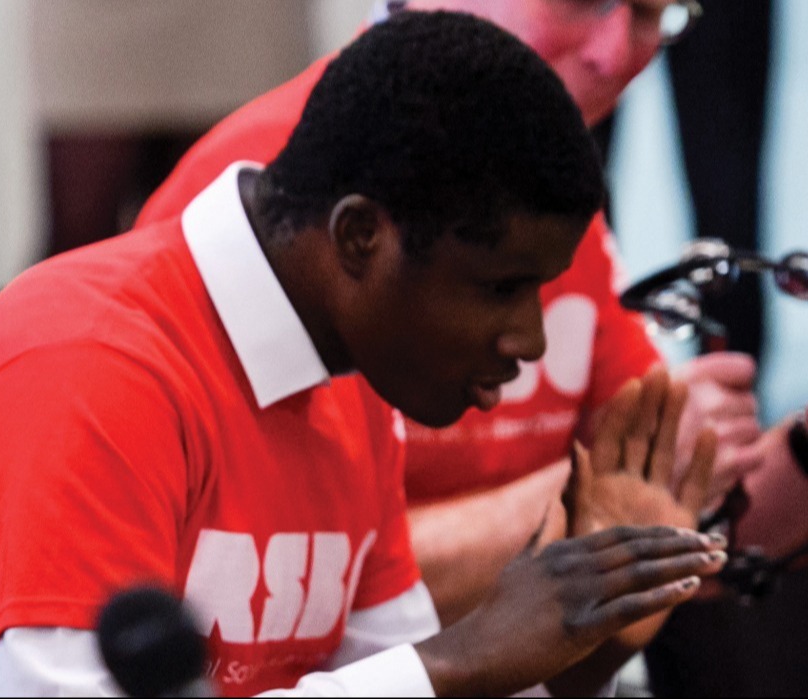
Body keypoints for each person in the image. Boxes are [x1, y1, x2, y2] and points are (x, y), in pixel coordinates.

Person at [0, 12, 727, 697]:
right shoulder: (86, 366)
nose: (530, 341)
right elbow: (421, 677)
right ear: (361, 236)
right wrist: (457, 659)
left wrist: (592, 649)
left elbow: (392, 679)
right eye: (499, 287)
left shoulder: (353, 377)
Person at [132, 0, 776, 626]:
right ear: (357, 233)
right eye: (579, 2)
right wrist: (593, 496)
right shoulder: (263, 183)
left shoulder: (547, 180)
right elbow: (250, 589)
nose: (614, 55)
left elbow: (686, 533)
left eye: (648, 16)